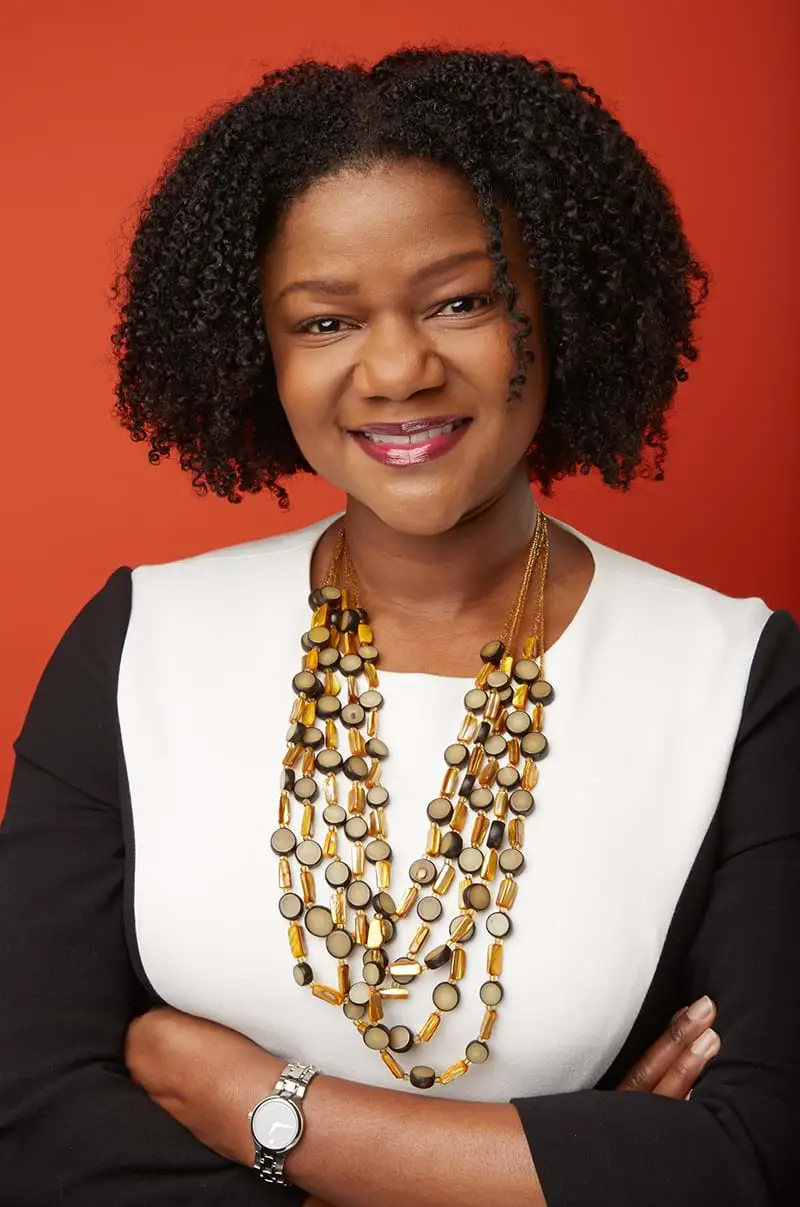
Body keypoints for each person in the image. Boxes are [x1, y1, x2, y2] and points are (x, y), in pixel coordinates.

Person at [0, 44, 797, 1207]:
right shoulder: (140, 640)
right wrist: (549, 1170)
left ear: (559, 305)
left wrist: (252, 1101)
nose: (395, 368)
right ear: (256, 353)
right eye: (322, 322)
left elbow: (751, 1158)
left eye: (461, 301)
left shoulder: (737, 676)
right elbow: (30, 1116)